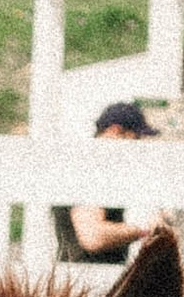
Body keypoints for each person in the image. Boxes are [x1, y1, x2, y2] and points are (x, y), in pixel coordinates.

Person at [64, 98, 167, 262]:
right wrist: (145, 229)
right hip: (88, 276)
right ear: (115, 131)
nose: (138, 148)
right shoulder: (90, 171)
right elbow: (92, 236)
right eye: (135, 139)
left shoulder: (93, 168)